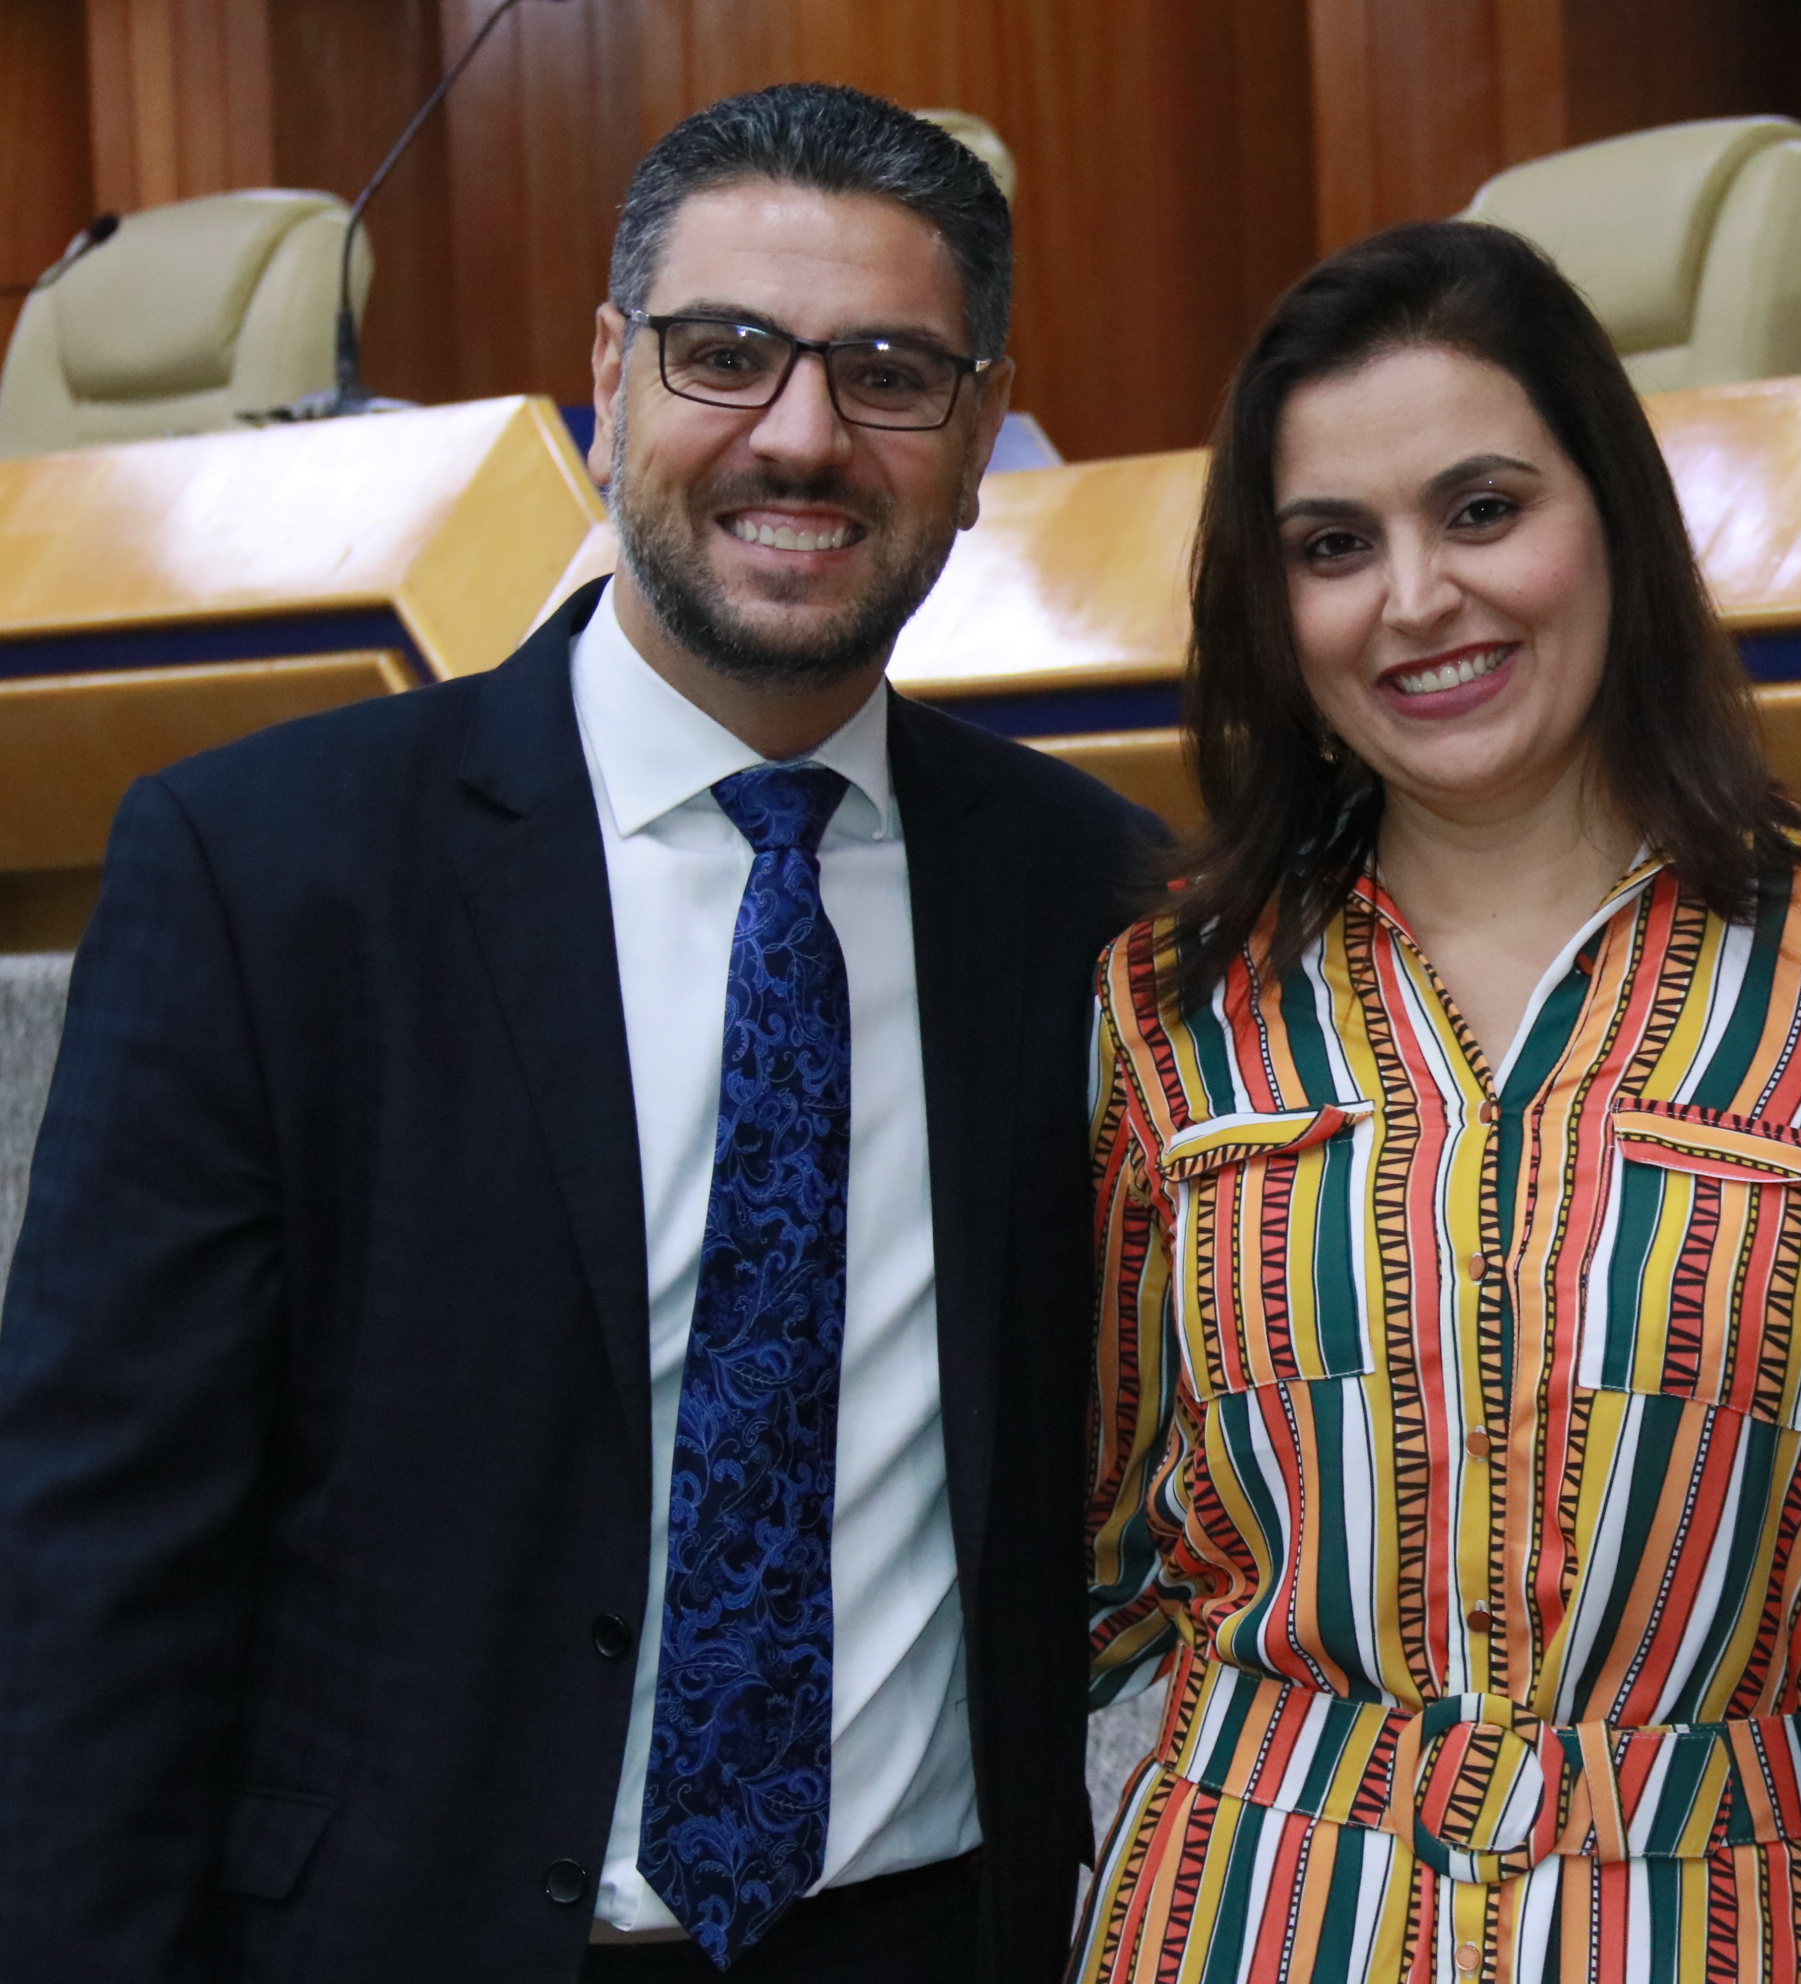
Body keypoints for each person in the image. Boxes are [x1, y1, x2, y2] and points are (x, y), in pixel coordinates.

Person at [0, 84, 1155, 1982]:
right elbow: (94, 1561)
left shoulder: (1094, 897)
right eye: (727, 355)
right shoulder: (268, 871)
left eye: (887, 374)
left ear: (977, 433)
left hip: (930, 1933)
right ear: (609, 378)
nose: (803, 435)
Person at [1077, 220, 1801, 1984]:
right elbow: (1077, 1553)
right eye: (1333, 546)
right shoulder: (1171, 1001)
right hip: (1252, 1918)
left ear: (1613, 515)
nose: (1416, 599)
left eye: (1482, 510)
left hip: (1727, 1915)